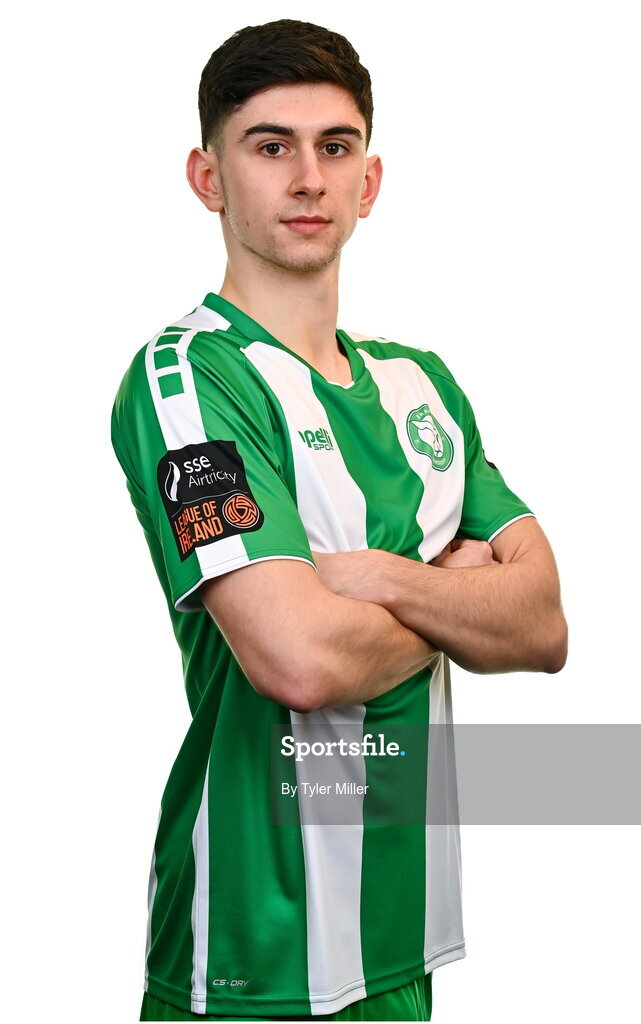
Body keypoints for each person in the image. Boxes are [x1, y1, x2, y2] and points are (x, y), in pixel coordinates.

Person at [110, 19, 568, 1023]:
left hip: (403, 942)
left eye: (335, 146)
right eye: (269, 146)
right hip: (251, 953)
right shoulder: (188, 378)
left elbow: (538, 625)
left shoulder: (422, 386)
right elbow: (298, 660)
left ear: (368, 181)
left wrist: (376, 576)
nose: (307, 178)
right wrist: (456, 589)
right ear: (207, 177)